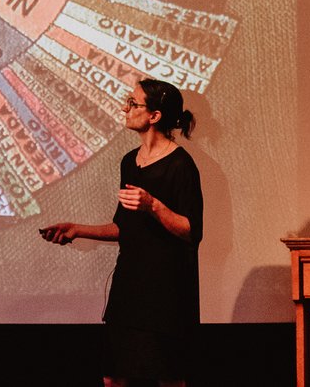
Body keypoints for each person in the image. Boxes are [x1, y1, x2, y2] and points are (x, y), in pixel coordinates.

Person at [39, 78, 202, 387]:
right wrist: (77, 229)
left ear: (154, 116)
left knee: (168, 377)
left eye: (133, 104)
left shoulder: (181, 165)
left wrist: (153, 205)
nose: (125, 109)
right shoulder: (130, 161)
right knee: (113, 376)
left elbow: (191, 231)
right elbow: (124, 228)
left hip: (164, 290)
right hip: (129, 284)